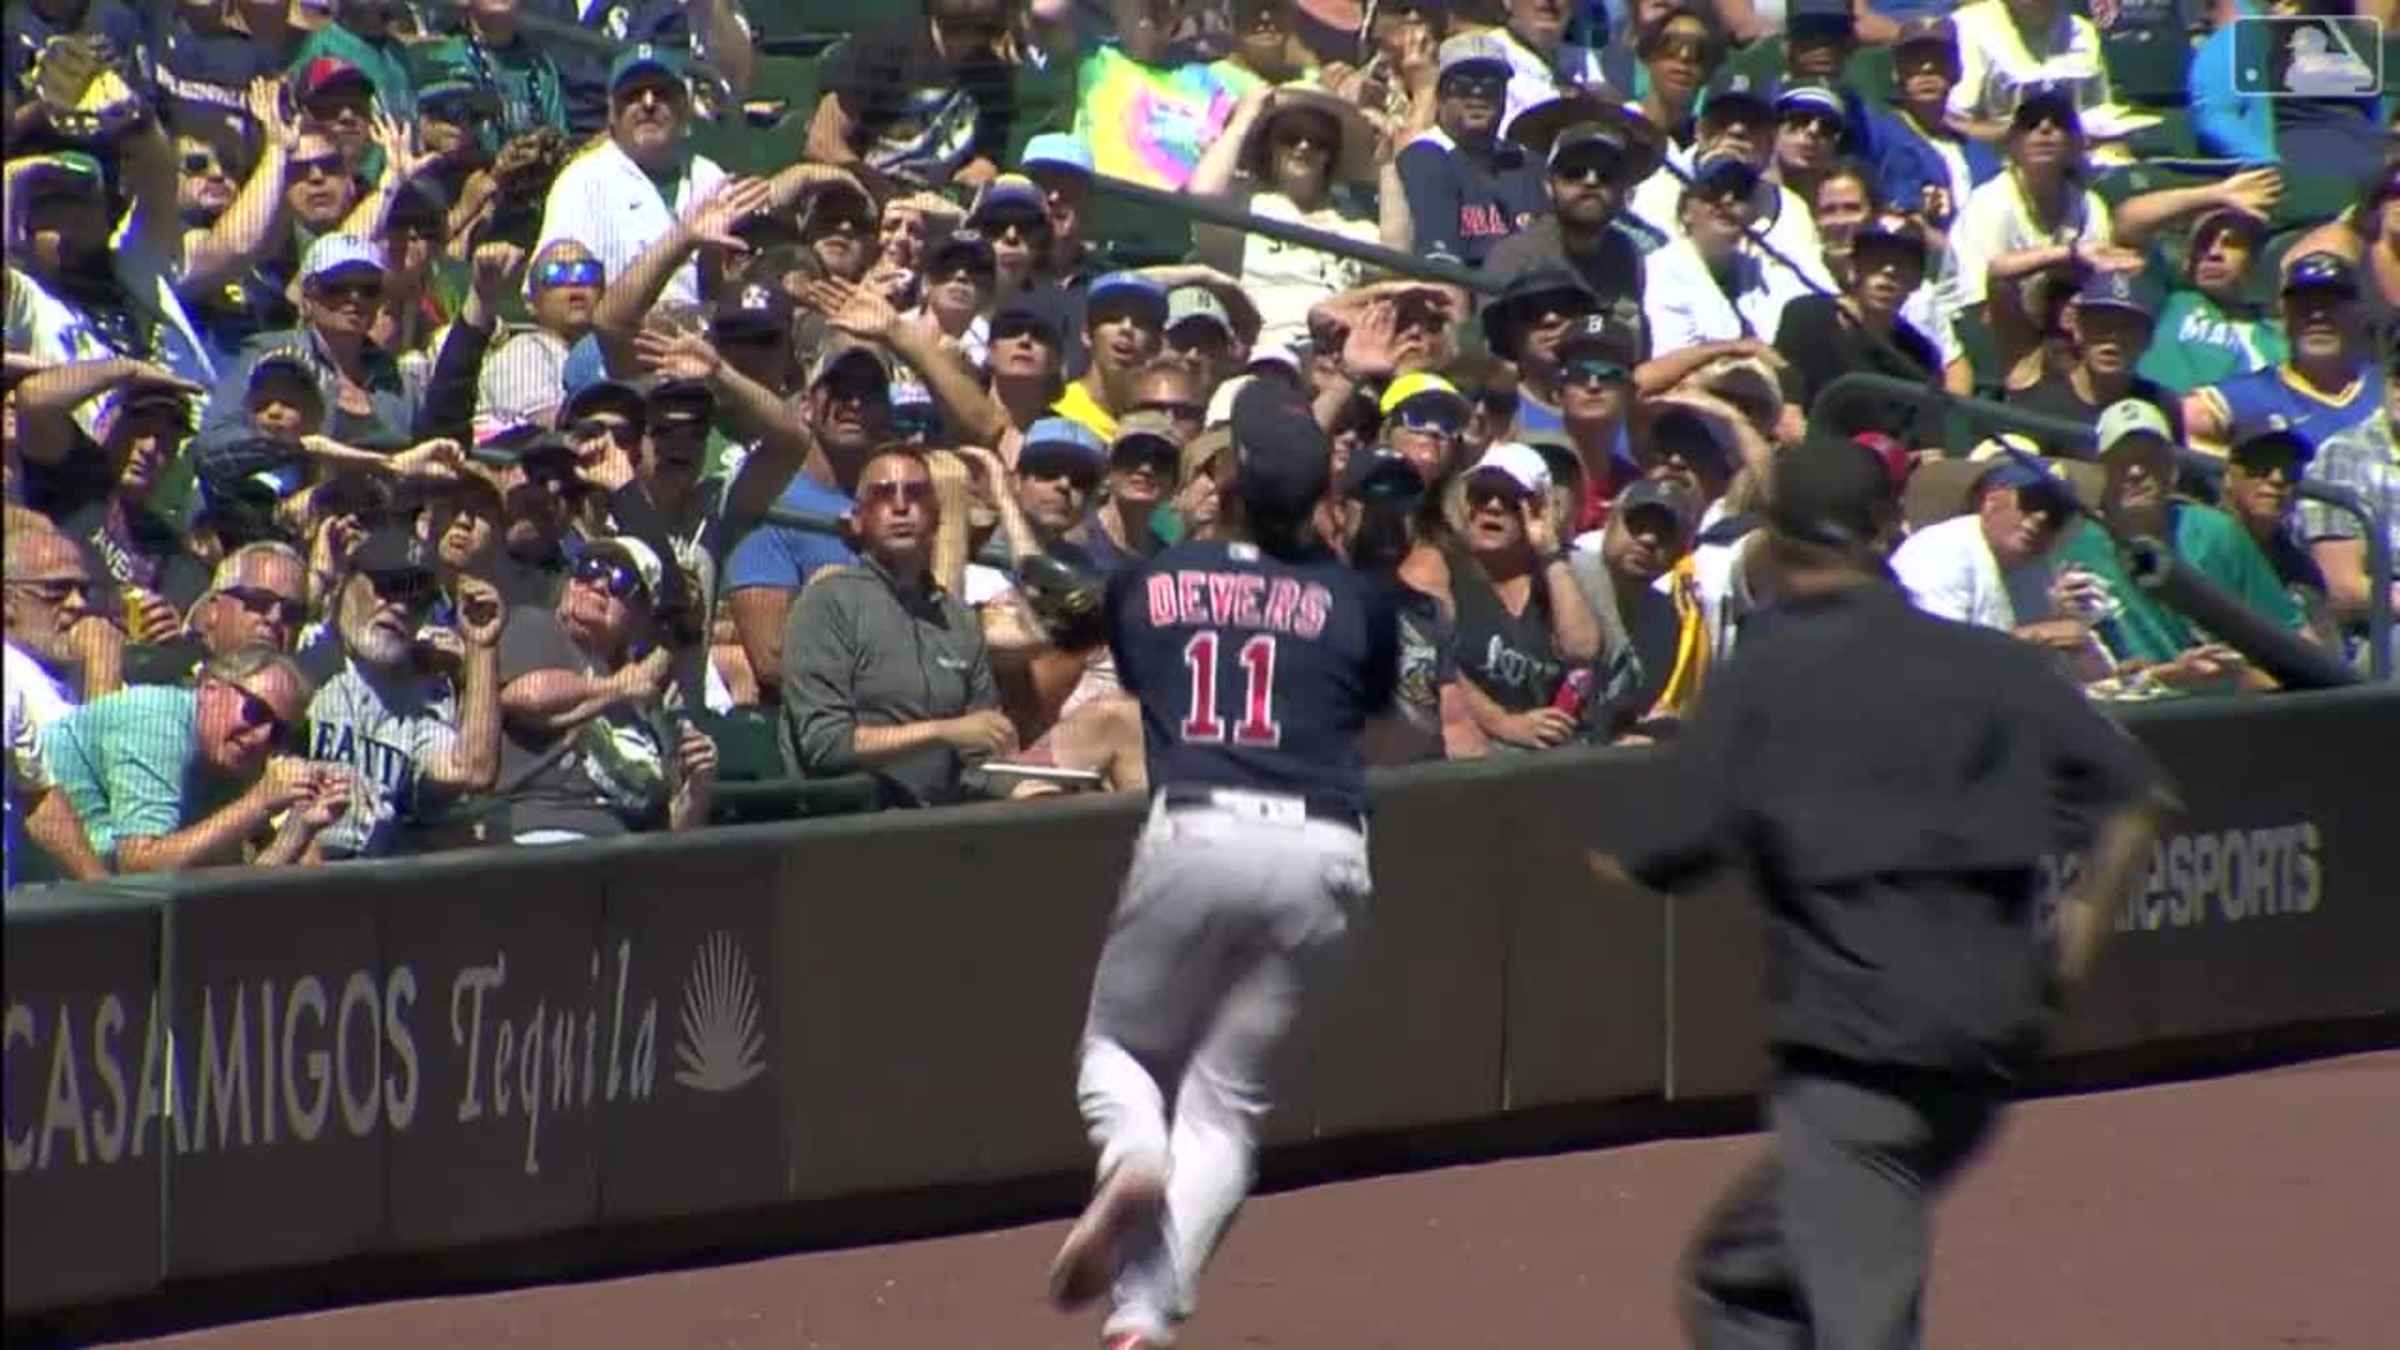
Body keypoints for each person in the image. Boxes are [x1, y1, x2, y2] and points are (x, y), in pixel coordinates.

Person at [1591, 430, 2168, 1350]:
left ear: (1773, 543)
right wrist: (2068, 950)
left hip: (1860, 1054)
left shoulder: (1768, 673)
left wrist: (1599, 859)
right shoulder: (1988, 662)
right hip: (1984, 1046)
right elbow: (2135, 798)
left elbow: (1662, 850)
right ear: (1888, 527)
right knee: (1747, 1281)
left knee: (1856, 1313)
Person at [1047, 376, 1396, 1350]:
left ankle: (1131, 1154)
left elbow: (1142, 620)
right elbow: (1376, 712)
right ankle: (1142, 1315)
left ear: (1227, 481)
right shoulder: (1355, 600)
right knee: (1228, 1107)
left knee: (1120, 1054)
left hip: (1197, 828)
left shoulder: (1149, 583)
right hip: (1326, 846)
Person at [780, 445, 1012, 807]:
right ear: (857, 519)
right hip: (848, 825)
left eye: (916, 494)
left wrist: (1026, 788)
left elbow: (979, 756)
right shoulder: (828, 602)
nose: (901, 506)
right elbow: (825, 746)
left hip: (947, 825)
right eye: (883, 494)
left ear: (937, 517)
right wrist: (942, 733)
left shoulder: (958, 619)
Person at [2052, 400, 2306, 691]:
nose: (2135, 472)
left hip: (2224, 713)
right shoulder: (2074, 545)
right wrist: (2060, 616)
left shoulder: (2216, 533)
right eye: (2122, 460)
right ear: (2100, 469)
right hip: (2125, 713)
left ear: (2171, 468)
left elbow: (2293, 637)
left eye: (2148, 459)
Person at [42, 644, 352, 871]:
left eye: (278, 733)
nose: (261, 736)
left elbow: (232, 890)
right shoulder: (154, 720)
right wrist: (258, 803)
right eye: (256, 712)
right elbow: (139, 868)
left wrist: (300, 828)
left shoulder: (229, 759)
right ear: (210, 689)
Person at [493, 533, 716, 842]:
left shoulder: (648, 707)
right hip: (544, 832)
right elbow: (525, 696)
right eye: (589, 568)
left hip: (627, 853)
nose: (598, 585)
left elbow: (671, 832)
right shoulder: (536, 626)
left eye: (620, 581)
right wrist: (617, 688)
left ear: (641, 616)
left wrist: (698, 787)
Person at [302, 529, 507, 859]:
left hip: (370, 880)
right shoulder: (306, 648)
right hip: (287, 869)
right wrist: (319, 581)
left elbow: (474, 769)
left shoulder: (416, 696)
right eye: (389, 587)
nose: (400, 607)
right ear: (346, 585)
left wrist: (481, 646)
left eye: (417, 600)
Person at [1399, 442, 1604, 752]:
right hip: (1461, 754)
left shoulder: (1559, 574)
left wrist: (1549, 553)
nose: (1493, 507)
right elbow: (1429, 659)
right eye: (1481, 496)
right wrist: (1503, 723)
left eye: (1511, 500)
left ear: (1540, 509)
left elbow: (1583, 650)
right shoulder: (1434, 565)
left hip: (1544, 758)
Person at [1189, 82, 1404, 352]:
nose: (1304, 147)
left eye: (1320, 141)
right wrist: (1245, 118)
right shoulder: (1245, 205)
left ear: (1332, 153)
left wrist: (1387, 162)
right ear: (1269, 145)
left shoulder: (1353, 221)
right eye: (1290, 136)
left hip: (1340, 358)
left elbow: (1395, 262)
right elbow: (1202, 198)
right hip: (1261, 354)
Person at [533, 43, 727, 308]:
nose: (648, 103)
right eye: (633, 94)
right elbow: (546, 296)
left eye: (662, 93)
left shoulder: (710, 177)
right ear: (612, 112)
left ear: (684, 107)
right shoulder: (581, 182)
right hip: (615, 341)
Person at [2184, 251, 2381, 452]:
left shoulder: (2385, 388)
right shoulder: (2257, 393)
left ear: (2359, 312)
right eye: (2303, 304)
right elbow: (2184, 424)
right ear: (2283, 313)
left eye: (2331, 303)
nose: (2317, 315)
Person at [1889, 456, 2092, 651]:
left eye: (2056, 513)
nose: (2041, 517)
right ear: (1991, 501)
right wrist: (2043, 635)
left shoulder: (2036, 568)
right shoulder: (1940, 553)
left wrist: (2062, 618)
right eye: (2032, 501)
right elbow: (1935, 650)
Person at [808, 0, 1014, 191]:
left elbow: (988, 158)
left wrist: (973, 179)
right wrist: (882, 192)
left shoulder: (993, 73)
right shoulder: (881, 46)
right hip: (864, 195)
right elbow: (822, 142)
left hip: (942, 206)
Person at [1395, 33, 1549, 267]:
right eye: (1463, 85)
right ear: (1441, 95)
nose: (1477, 94)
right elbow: (1441, 262)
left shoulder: (1525, 161)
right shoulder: (1426, 156)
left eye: (1490, 86)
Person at [2006, 269, 2184, 454]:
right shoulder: (2039, 407)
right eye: (2101, 325)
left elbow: (2182, 476)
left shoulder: (2161, 405)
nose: (2112, 339)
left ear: (2147, 339)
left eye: (2127, 328)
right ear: (2077, 329)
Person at [2220, 428, 2340, 648]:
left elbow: (2327, 656)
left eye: (2290, 469)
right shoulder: (2200, 538)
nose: (2277, 478)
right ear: (2229, 474)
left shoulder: (2300, 570)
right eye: (2261, 464)